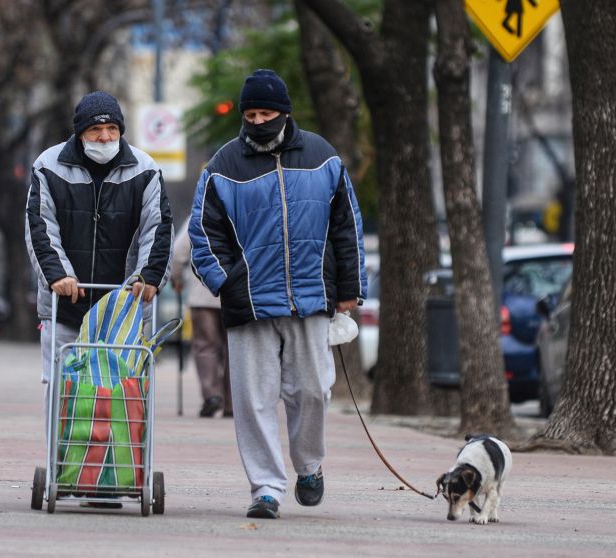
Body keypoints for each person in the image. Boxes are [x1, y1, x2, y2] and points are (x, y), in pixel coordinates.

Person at [189, 69, 367, 519]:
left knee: (312, 390)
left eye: (266, 112)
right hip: (249, 302)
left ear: (285, 113)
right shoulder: (222, 166)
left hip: (310, 296)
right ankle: (266, 488)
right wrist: (226, 283)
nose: (258, 120)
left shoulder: (323, 157)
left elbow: (347, 226)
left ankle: (309, 465)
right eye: (250, 113)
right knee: (253, 401)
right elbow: (203, 234)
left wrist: (349, 288)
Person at [24, 91, 173, 468]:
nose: (105, 137)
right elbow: (40, 226)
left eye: (111, 129)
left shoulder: (145, 169)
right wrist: (59, 276)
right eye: (95, 130)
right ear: (80, 134)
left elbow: (158, 226)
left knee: (123, 391)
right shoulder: (49, 166)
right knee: (63, 389)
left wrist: (148, 276)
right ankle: (65, 466)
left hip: (121, 308)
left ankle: (118, 469)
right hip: (67, 305)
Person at [172, 215, 232, 418]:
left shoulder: (198, 214)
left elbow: (178, 253)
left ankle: (212, 395)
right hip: (235, 294)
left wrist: (177, 278)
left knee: (206, 346)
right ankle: (233, 403)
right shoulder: (240, 205)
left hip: (202, 295)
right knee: (235, 349)